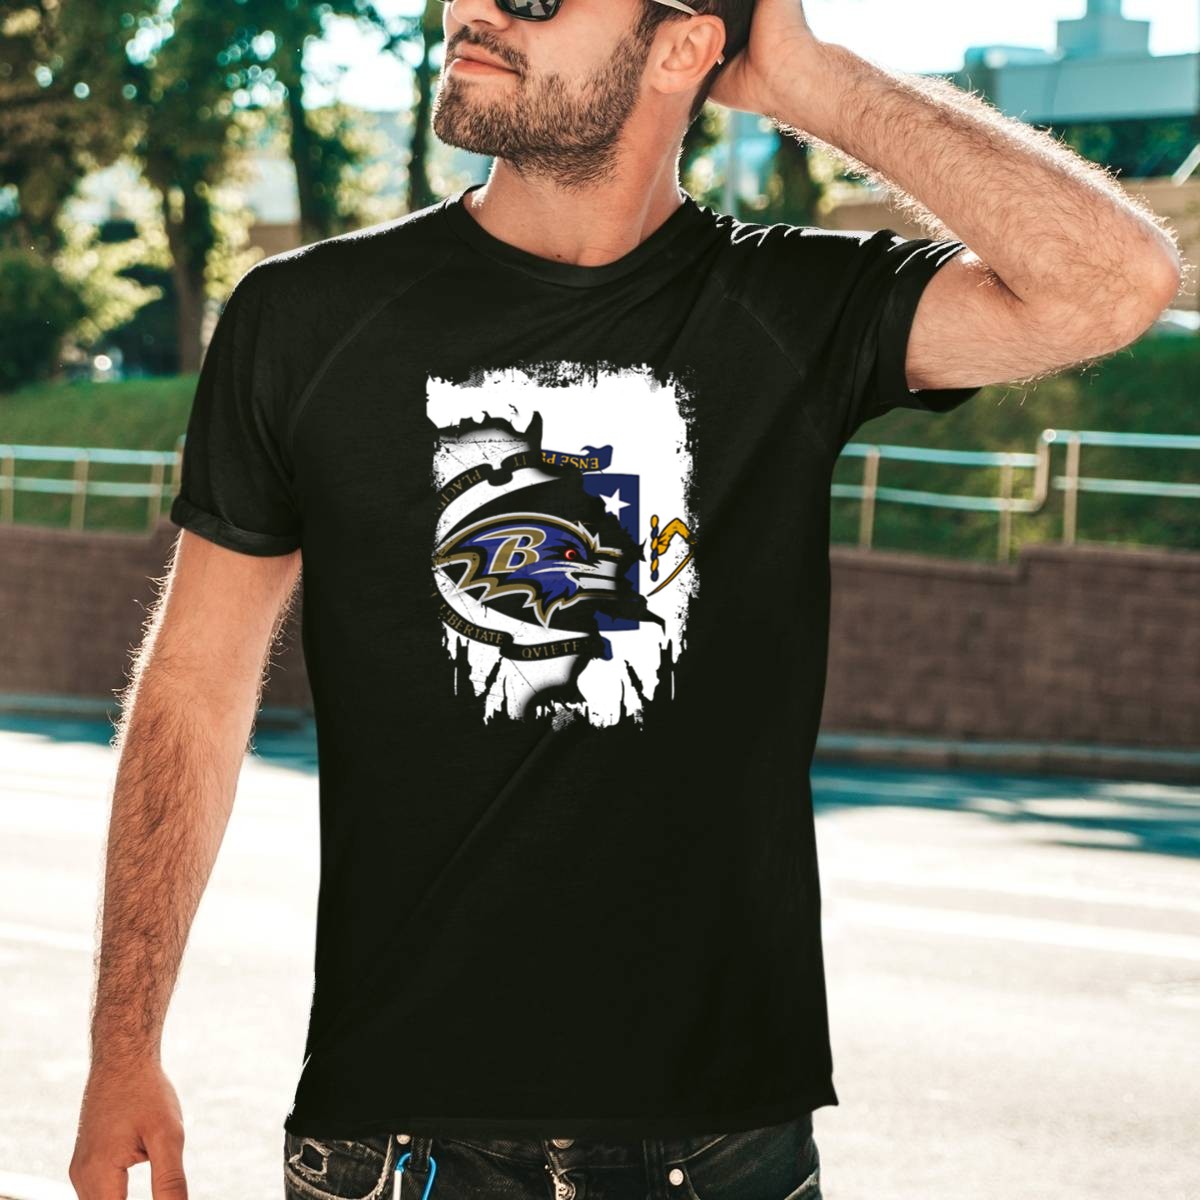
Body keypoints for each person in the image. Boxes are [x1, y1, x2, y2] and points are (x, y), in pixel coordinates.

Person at [69, 0, 1182, 1196]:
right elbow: (191, 689)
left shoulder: (792, 307)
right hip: (398, 1140)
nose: (476, 10)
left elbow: (1114, 286)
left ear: (683, 45)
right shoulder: (303, 317)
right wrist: (122, 1048)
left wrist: (812, 80)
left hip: (723, 1146)